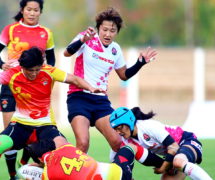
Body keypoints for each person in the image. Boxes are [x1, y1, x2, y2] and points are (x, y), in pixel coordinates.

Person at [0, 47, 104, 180]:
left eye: (37, 69)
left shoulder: (49, 71)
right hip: (21, 124)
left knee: (65, 148)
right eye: (30, 70)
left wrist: (90, 88)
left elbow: (74, 79)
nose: (34, 74)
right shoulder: (12, 74)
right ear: (22, 66)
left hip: (45, 125)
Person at [63, 7, 157, 154]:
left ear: (117, 32)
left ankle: (121, 175)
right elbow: (67, 53)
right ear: (98, 28)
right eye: (104, 29)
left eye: (112, 31)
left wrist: (140, 63)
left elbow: (123, 75)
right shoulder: (86, 38)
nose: (108, 34)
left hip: (100, 101)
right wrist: (82, 40)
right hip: (79, 97)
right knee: (83, 143)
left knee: (118, 142)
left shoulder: (115, 50)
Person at [0, 0, 56, 175]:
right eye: (29, 9)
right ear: (22, 10)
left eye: (36, 10)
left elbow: (51, 60)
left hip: (35, 88)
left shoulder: (46, 33)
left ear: (40, 12)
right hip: (11, 85)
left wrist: (46, 77)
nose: (32, 13)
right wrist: (2, 64)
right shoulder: (10, 29)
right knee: (10, 133)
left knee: (32, 131)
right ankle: (12, 174)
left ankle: (24, 166)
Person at [110, 107, 213, 180]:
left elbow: (174, 147)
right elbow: (117, 168)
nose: (118, 132)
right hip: (171, 156)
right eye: (116, 129)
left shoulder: (147, 126)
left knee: (178, 162)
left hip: (186, 141)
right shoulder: (123, 141)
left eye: (120, 128)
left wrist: (163, 168)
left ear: (130, 121)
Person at [25, 137, 139, 180]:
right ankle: (158, 164)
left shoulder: (47, 174)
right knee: (131, 147)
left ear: (39, 159)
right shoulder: (67, 147)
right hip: (120, 172)